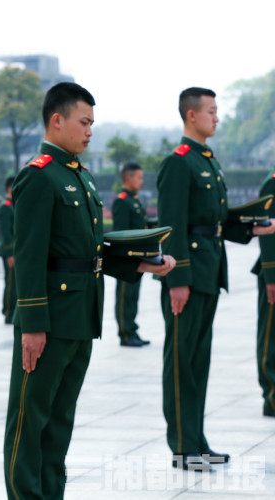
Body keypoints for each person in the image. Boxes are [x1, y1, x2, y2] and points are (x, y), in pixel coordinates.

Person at [3, 83, 175, 499]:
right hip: (50, 322)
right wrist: (32, 325)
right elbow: (28, 258)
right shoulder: (38, 177)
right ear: (57, 120)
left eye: (92, 124)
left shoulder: (80, 176)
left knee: (60, 419)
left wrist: (141, 263)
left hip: (81, 317)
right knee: (30, 420)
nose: (90, 131)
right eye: (84, 122)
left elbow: (91, 252)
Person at [157, 87, 275, 471]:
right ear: (191, 115)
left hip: (210, 270)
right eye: (211, 110)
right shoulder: (179, 163)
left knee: (199, 360)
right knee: (181, 361)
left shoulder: (208, 161)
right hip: (188, 275)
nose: (217, 117)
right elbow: (172, 223)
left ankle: (196, 439)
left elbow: (218, 221)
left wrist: (256, 227)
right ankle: (181, 445)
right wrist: (178, 278)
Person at [112, 162, 151, 347]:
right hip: (127, 259)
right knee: (124, 297)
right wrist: (124, 259)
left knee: (133, 297)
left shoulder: (134, 200)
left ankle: (133, 330)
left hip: (139, 257)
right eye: (139, 177)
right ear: (128, 178)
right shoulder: (122, 201)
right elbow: (121, 233)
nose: (142, 181)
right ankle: (125, 333)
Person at [253, 171, 275, 418]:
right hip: (273, 274)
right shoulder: (272, 184)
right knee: (270, 336)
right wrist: (271, 275)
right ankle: (271, 396)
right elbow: (268, 232)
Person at [0, 176, 16, 325]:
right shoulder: (5, 207)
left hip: (15, 250)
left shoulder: (13, 205)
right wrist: (10, 253)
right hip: (10, 252)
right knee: (11, 283)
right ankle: (9, 313)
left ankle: (12, 310)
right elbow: (6, 233)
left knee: (15, 282)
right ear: (10, 188)